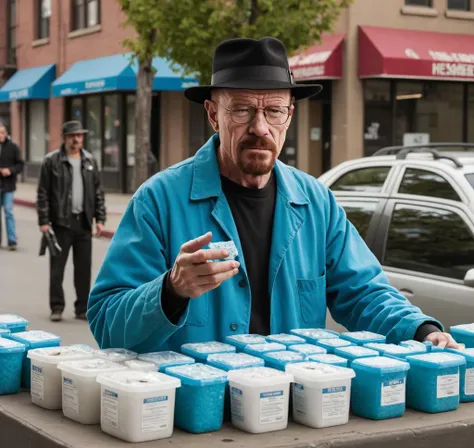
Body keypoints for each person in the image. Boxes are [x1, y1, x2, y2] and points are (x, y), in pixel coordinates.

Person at [87, 37, 458, 352]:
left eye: (274, 111)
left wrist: (422, 331)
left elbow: (365, 293)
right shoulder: (159, 201)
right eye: (244, 110)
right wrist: (170, 290)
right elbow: (106, 322)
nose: (260, 127)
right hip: (197, 417)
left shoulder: (316, 203)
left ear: (290, 115)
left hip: (292, 413)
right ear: (214, 115)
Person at [37, 121, 106, 322]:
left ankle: (82, 308)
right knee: (57, 268)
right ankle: (57, 307)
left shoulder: (90, 160)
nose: (77, 139)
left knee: (83, 269)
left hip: (83, 223)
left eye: (80, 135)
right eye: (72, 136)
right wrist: (43, 220)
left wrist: (100, 218)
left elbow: (98, 192)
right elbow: (43, 192)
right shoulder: (52, 161)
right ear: (65, 138)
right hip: (61, 223)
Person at [0, 123, 24, 251]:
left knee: (8, 212)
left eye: (2, 133)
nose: (0, 135)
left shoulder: (13, 147)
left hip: (8, 185)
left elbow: (20, 165)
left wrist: (10, 170)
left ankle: (12, 240)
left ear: (6, 133)